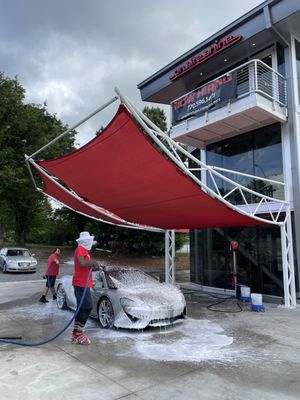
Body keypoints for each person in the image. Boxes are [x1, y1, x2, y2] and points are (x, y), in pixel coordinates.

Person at [72, 231, 100, 345]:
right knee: (87, 307)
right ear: (84, 241)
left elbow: (85, 266)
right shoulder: (80, 249)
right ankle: (79, 334)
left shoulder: (85, 251)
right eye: (89, 240)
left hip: (84, 283)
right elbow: (82, 263)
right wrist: (92, 262)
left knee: (82, 308)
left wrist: (94, 267)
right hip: (80, 283)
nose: (90, 242)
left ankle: (76, 334)